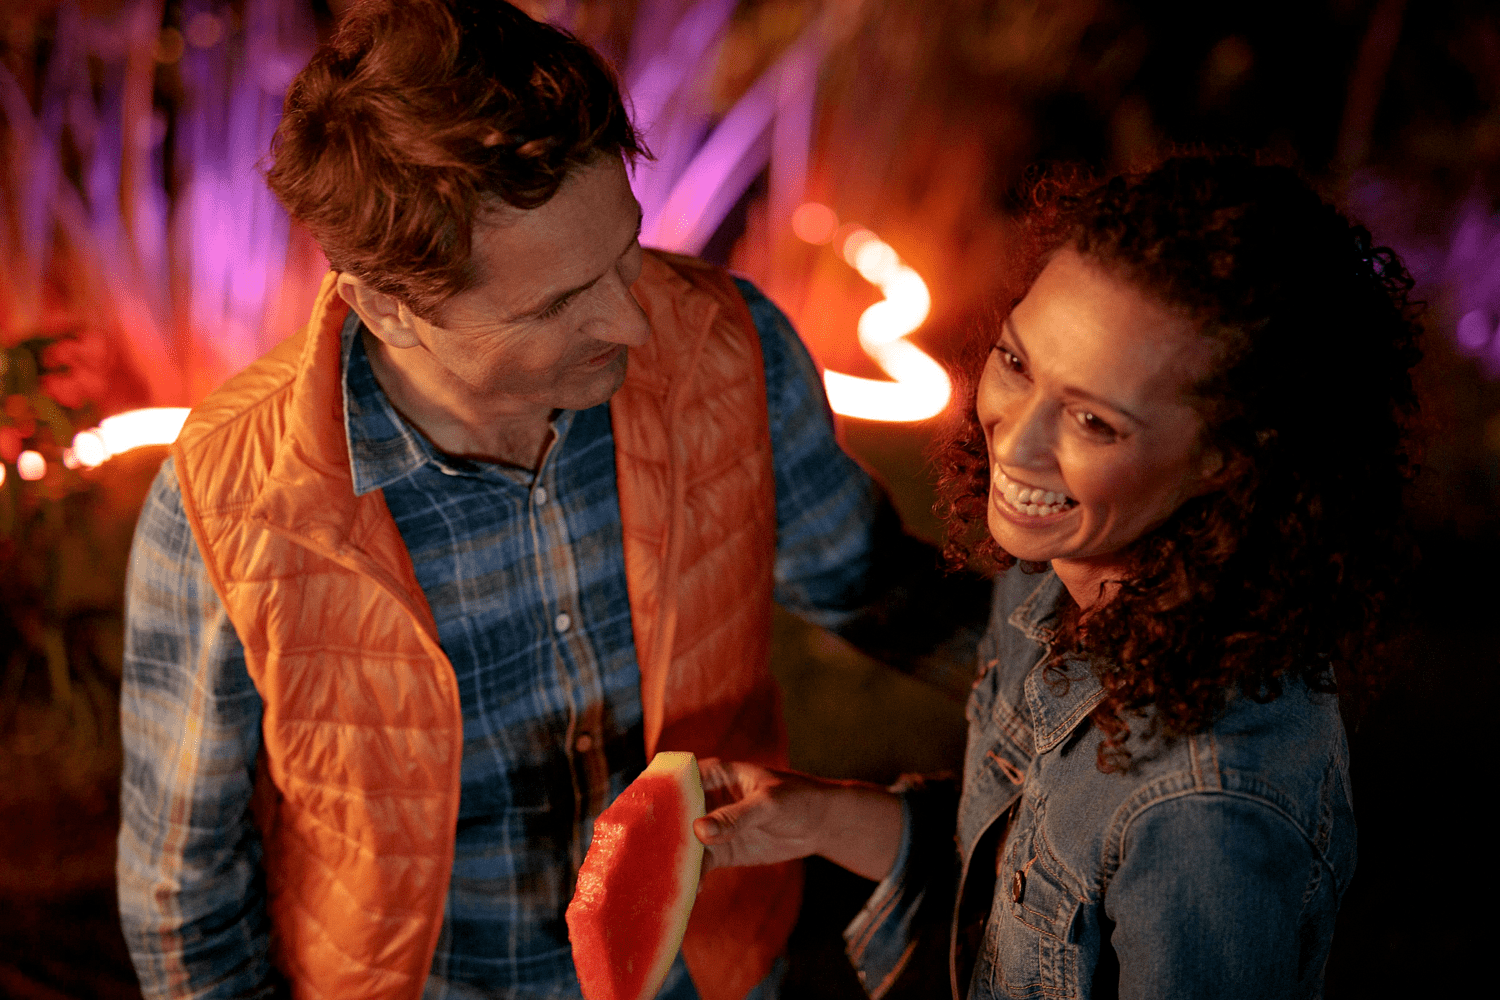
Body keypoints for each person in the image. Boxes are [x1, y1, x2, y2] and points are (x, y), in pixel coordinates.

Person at [113, 3, 987, 999]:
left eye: (626, 252)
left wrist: (1113, 678)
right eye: (560, 303)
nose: (633, 320)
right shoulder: (226, 498)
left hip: (709, 972)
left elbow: (884, 591)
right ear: (387, 306)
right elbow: (185, 892)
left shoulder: (726, 342)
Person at [692, 154, 1422, 999]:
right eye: (1016, 362)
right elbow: (1027, 875)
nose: (1015, 438)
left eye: (1092, 420)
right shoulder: (1058, 583)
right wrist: (816, 814)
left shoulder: (1205, 809)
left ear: (1228, 460)